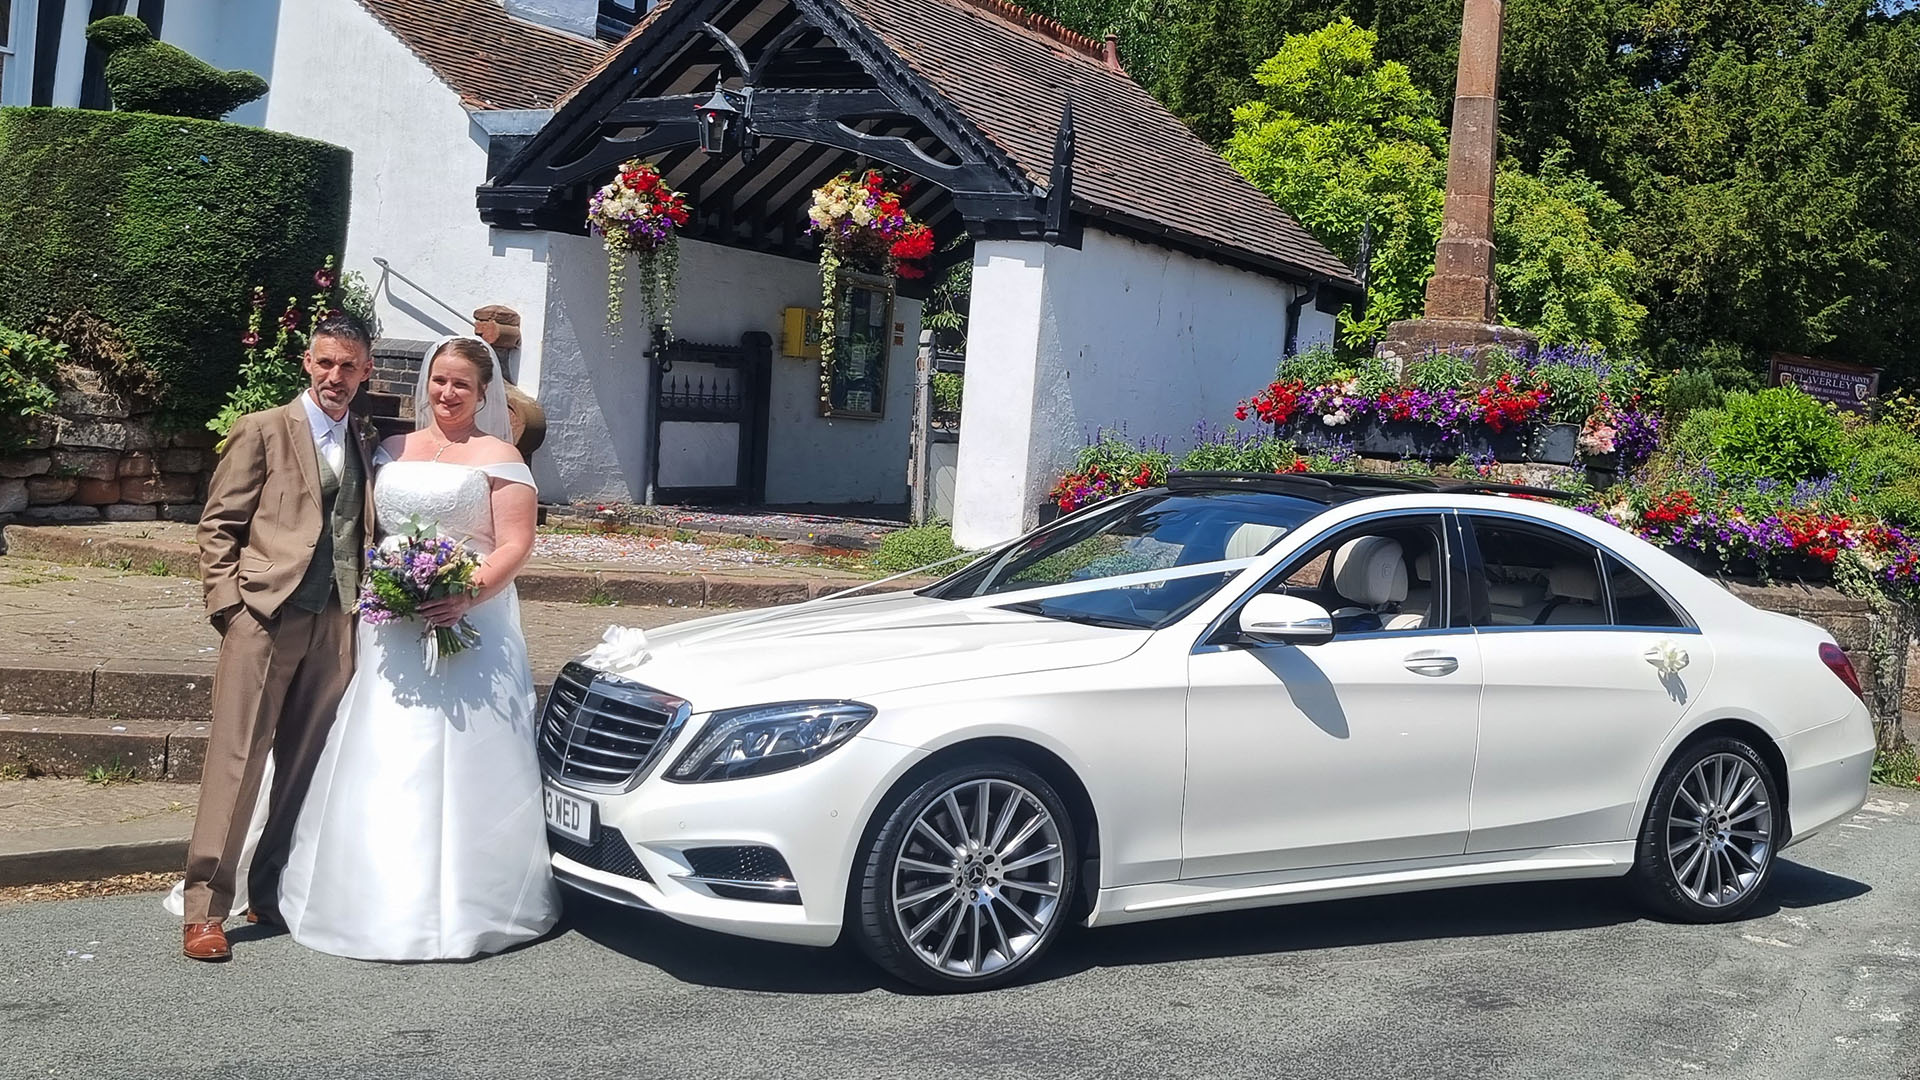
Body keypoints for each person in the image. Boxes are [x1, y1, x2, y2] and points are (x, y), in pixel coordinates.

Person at [273, 335, 558, 961]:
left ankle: (471, 898)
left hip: (471, 619)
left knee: (464, 748)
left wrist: (464, 594)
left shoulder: (500, 455)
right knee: (383, 742)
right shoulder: (390, 449)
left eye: (462, 384)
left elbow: (514, 545)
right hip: (390, 620)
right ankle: (364, 890)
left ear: (484, 393)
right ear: (425, 384)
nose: (448, 392)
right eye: (440, 380)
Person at [180, 313, 378, 961]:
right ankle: (205, 909)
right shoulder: (263, 429)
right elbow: (218, 528)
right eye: (326, 363)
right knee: (236, 762)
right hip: (263, 619)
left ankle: (268, 890)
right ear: (306, 362)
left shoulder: (364, 438)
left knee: (302, 766)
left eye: (349, 366)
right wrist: (230, 610)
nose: (336, 377)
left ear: (366, 371)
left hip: (335, 622)